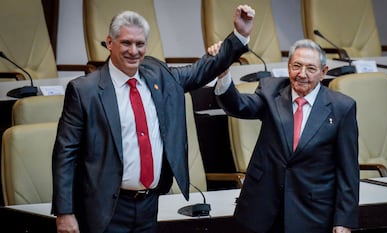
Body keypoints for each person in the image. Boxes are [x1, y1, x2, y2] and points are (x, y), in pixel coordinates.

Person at [52, 5, 255, 233]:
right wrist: (64, 212)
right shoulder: (84, 90)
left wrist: (239, 35)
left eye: (140, 44)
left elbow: (202, 70)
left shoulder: (158, 74)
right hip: (105, 208)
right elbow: (65, 153)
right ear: (109, 43)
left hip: (149, 205)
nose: (134, 51)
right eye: (126, 43)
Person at [211, 39, 359, 233]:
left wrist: (344, 221)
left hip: (312, 212)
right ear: (288, 67)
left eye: (310, 68)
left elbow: (348, 170)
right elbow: (237, 105)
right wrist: (223, 74)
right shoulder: (271, 90)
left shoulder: (342, 107)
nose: (302, 74)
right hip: (262, 209)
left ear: (323, 72)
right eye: (296, 66)